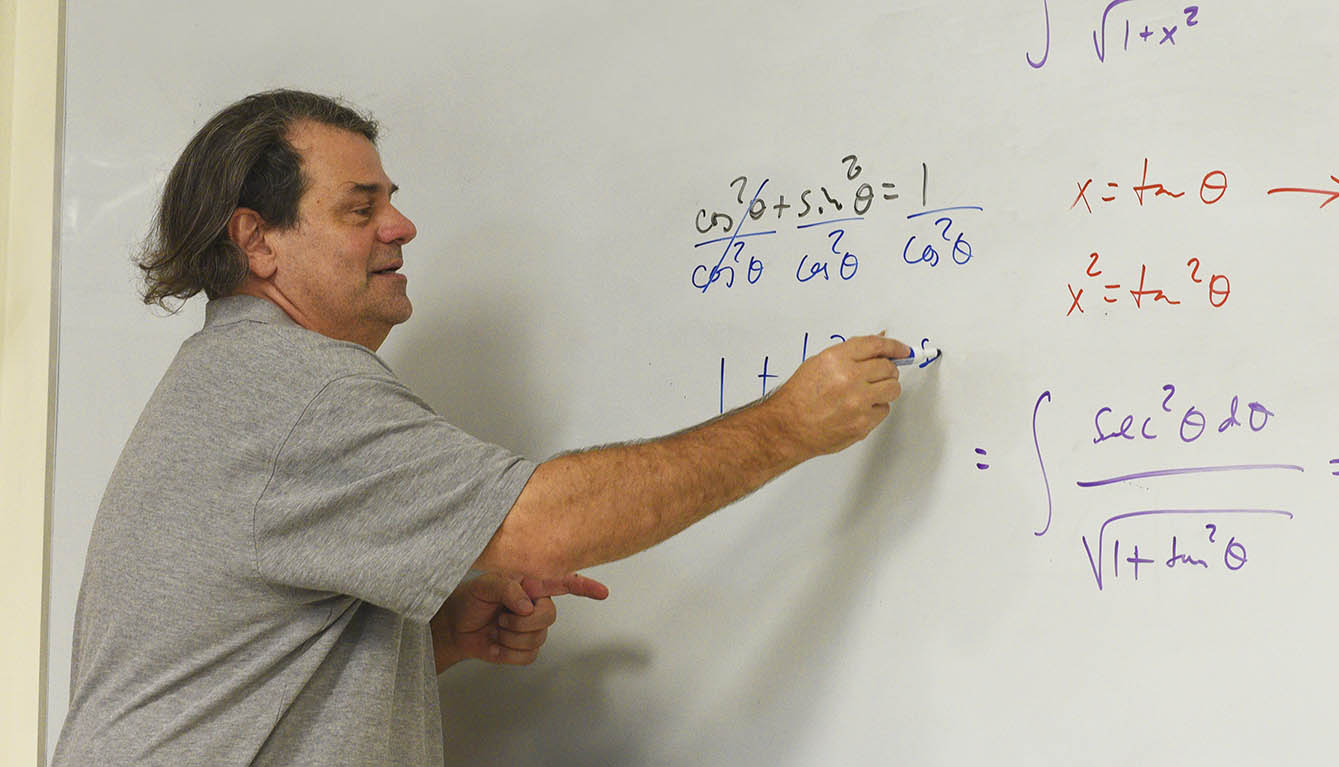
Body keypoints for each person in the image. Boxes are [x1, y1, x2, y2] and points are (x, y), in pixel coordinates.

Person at [52, 89, 910, 765]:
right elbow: (546, 527)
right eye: (361, 208)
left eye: (392, 200)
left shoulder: (226, 380)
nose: (403, 224)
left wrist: (429, 641)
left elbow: (229, 674)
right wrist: (790, 426)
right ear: (260, 242)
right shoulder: (294, 389)